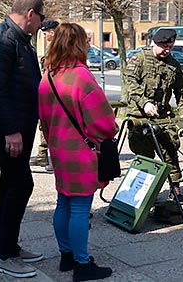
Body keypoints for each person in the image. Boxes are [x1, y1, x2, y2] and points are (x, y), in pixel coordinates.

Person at [38, 22, 117, 282]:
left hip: (58, 149)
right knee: (81, 208)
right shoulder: (81, 76)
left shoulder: (48, 75)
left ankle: (66, 256)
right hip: (82, 151)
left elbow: (44, 119)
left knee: (63, 202)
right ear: (79, 43)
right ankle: (82, 265)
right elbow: (103, 122)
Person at [0, 0, 45, 278]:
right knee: (20, 184)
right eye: (41, 17)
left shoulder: (17, 38)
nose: (42, 23)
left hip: (19, 123)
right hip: (10, 127)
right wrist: (11, 130)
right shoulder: (1, 38)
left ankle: (11, 247)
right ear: (30, 14)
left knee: (11, 183)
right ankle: (5, 254)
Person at [124, 28, 183, 201]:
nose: (167, 50)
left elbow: (181, 91)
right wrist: (144, 103)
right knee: (144, 157)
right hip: (140, 117)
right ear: (154, 43)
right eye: (164, 46)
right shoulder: (139, 58)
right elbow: (130, 83)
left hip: (162, 117)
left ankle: (175, 188)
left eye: (170, 47)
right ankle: (142, 192)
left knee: (170, 152)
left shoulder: (173, 64)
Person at [30, 20, 59, 171]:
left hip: (55, 93)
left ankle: (56, 159)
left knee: (54, 127)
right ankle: (42, 154)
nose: (45, 35)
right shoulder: (52, 47)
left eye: (46, 32)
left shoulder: (58, 47)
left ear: (52, 32)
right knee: (45, 125)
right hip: (48, 91)